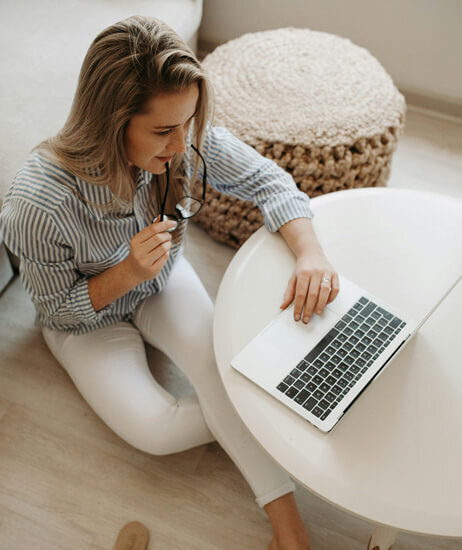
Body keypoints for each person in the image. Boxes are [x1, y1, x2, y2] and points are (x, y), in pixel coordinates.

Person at [0, 16, 340, 550]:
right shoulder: (36, 205)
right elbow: (57, 311)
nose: (181, 144)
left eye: (187, 124)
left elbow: (269, 181)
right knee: (160, 430)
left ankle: (290, 533)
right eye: (162, 131)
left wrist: (311, 253)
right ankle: (267, 407)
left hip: (161, 282)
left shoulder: (183, 140)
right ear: (112, 123)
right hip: (86, 321)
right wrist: (128, 271)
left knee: (222, 372)